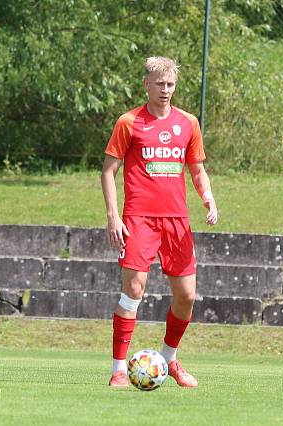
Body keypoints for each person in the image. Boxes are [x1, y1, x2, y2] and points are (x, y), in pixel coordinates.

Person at [101, 56, 218, 388]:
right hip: (139, 219)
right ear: (146, 85)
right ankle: (119, 369)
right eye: (159, 84)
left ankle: (169, 359)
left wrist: (207, 196)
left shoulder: (188, 123)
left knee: (187, 296)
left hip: (176, 221)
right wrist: (113, 217)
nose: (165, 90)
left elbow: (197, 170)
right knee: (133, 290)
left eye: (170, 84)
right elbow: (108, 172)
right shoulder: (128, 122)